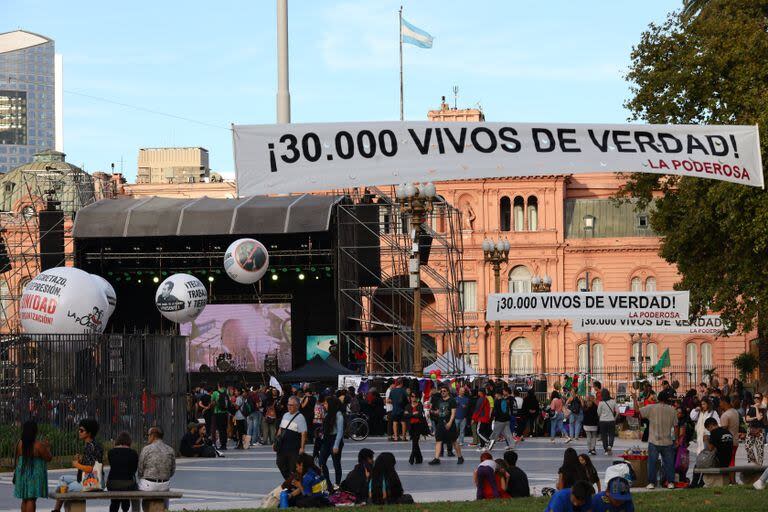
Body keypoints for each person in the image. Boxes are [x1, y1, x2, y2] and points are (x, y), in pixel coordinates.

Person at [52, 419, 103, 512]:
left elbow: (91, 469)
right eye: (79, 430)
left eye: (82, 430)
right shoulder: (91, 445)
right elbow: (91, 463)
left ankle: (56, 509)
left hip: (91, 483)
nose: (79, 432)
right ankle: (57, 509)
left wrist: (77, 464)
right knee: (63, 479)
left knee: (64, 487)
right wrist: (81, 460)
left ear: (89, 433)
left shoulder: (91, 447)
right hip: (84, 479)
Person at [633, 391, 677, 489]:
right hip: (667, 441)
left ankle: (651, 483)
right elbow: (676, 426)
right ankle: (670, 482)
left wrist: (635, 399)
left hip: (654, 440)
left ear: (658, 398)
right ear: (668, 400)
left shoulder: (651, 408)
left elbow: (637, 412)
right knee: (669, 463)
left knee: (652, 462)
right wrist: (676, 439)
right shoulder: (672, 410)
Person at [13, 420, 51, 512]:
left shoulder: (19, 443)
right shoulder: (38, 445)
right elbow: (48, 458)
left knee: (25, 499)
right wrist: (48, 447)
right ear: (35, 431)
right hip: (34, 474)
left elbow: (17, 458)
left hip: (21, 473)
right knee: (31, 499)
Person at [137, 426, 176, 511]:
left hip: (148, 485)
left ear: (153, 436)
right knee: (165, 489)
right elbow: (172, 471)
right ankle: (165, 509)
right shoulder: (170, 450)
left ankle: (146, 509)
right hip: (164, 485)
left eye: (148, 435)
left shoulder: (146, 449)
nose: (147, 437)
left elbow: (140, 470)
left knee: (139, 485)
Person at [428, 386, 464, 465]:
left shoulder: (452, 400)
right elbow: (440, 411)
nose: (442, 392)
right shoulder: (439, 400)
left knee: (454, 441)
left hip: (449, 423)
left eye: (444, 391)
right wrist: (433, 412)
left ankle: (460, 457)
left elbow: (453, 413)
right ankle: (436, 458)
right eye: (441, 391)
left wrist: (450, 423)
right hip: (440, 423)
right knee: (438, 440)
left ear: (448, 392)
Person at [275, 396, 308, 479]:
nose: (289, 407)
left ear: (297, 406)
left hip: (293, 448)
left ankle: (292, 484)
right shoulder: (285, 415)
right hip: (282, 446)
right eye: (288, 404)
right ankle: (289, 482)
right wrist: (275, 441)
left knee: (292, 467)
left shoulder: (300, 417)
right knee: (280, 463)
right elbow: (280, 429)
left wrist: (302, 447)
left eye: (291, 405)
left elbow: (303, 433)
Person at [106, 432, 139, 512]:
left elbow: (113, 466)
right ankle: (125, 509)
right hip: (128, 484)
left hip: (112, 484)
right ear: (129, 442)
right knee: (126, 497)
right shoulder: (134, 453)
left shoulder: (111, 452)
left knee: (114, 501)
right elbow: (134, 470)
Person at [318, 395, 345, 490]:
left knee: (336, 463)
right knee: (321, 461)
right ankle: (328, 484)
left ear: (331, 404)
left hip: (335, 439)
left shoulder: (338, 415)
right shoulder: (327, 414)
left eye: (326, 403)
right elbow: (324, 428)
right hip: (327, 439)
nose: (324, 405)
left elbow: (340, 431)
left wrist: (336, 445)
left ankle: (337, 484)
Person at [717, 395, 740, 484]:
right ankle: (732, 480)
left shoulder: (725, 415)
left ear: (724, 402)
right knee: (732, 460)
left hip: (728, 443)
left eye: (720, 402)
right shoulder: (735, 412)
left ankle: (732, 481)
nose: (719, 405)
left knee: (729, 462)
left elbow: (723, 431)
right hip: (735, 441)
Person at [403, 393, 427, 464]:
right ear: (410, 398)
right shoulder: (407, 406)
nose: (414, 398)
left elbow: (419, 415)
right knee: (415, 442)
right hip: (411, 426)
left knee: (415, 441)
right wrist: (413, 414)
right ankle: (419, 458)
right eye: (412, 396)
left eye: (415, 396)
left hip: (418, 425)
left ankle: (412, 457)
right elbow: (405, 415)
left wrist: (409, 414)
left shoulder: (419, 405)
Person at [745, 391, 765, 465]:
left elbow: (760, 418)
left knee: (760, 449)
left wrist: (756, 407)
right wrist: (755, 417)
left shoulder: (763, 408)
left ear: (761, 399)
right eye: (755, 397)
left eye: (758, 398)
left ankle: (760, 465)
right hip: (751, 429)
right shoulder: (751, 407)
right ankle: (755, 463)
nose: (756, 399)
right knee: (747, 447)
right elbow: (747, 418)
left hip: (760, 430)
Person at [597, 389, 618, 455]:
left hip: (603, 421)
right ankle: (610, 446)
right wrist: (615, 418)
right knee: (611, 434)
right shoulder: (613, 401)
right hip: (611, 420)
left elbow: (598, 413)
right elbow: (618, 412)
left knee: (604, 436)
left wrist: (601, 417)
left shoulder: (601, 403)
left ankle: (606, 450)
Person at [211, 382, 229, 450]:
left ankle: (222, 445)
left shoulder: (215, 393)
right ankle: (224, 444)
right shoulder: (226, 392)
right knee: (224, 429)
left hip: (218, 413)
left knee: (220, 429)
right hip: (225, 413)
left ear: (218, 385)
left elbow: (212, 403)